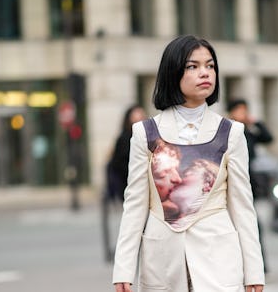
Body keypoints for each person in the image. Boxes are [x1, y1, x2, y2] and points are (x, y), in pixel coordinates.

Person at [113, 35, 265, 292]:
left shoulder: (232, 132)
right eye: (192, 66)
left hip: (219, 257)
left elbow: (243, 206)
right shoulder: (145, 132)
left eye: (210, 66)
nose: (205, 73)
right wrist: (124, 269)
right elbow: (135, 204)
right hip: (162, 260)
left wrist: (254, 272)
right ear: (173, 73)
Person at [227, 99, 273, 274]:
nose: (242, 113)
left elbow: (268, 138)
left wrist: (255, 122)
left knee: (253, 225)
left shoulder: (249, 132)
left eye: (244, 110)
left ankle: (259, 266)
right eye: (239, 110)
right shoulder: (227, 132)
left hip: (248, 184)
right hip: (230, 183)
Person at [106, 104, 147, 202]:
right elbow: (119, 162)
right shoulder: (124, 138)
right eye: (136, 116)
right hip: (129, 182)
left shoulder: (148, 136)